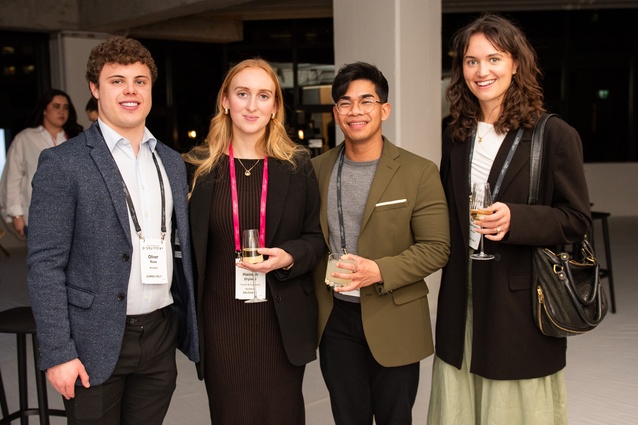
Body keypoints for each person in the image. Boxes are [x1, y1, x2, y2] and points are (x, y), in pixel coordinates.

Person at [428, 14, 591, 425]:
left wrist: (516, 220)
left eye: (494, 58)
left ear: (516, 63)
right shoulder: (455, 133)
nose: (482, 71)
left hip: (518, 300)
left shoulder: (553, 134)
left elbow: (575, 220)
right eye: (471, 61)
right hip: (460, 294)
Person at [27, 36, 199, 425]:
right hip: (93, 340)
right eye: (117, 80)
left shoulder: (171, 163)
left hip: (159, 335)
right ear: (94, 88)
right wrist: (58, 352)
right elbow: (45, 265)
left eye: (140, 81)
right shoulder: (63, 163)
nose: (130, 91)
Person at [183, 58, 324, 424]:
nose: (252, 105)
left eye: (263, 96)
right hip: (221, 322)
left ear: (275, 106)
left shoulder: (297, 165)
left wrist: (288, 257)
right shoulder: (197, 168)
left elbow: (315, 239)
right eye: (242, 94)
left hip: (280, 321)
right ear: (226, 101)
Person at [311, 61, 450, 425]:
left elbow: (437, 247)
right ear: (336, 112)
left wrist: (379, 270)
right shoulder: (316, 169)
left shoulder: (418, 171)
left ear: (384, 109)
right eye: (345, 102)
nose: (355, 111)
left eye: (366, 101)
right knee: (347, 417)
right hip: (335, 318)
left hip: (395, 315)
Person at [0, 89, 82, 237]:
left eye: (65, 107)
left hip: (72, 217)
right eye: (56, 106)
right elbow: (12, 178)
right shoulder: (25, 138)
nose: (61, 111)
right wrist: (16, 215)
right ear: (44, 110)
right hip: (36, 215)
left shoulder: (76, 139)